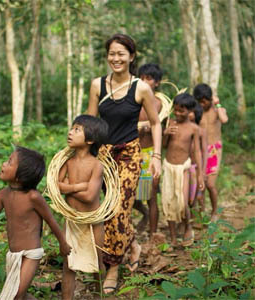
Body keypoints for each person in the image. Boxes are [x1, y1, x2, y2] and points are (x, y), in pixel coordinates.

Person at [87, 33, 162, 294]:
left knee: (119, 210)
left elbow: (155, 123)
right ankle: (132, 244)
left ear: (131, 56)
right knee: (107, 209)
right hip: (104, 155)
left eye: (121, 53)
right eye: (111, 53)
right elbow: (90, 123)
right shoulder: (97, 85)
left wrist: (156, 157)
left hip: (130, 155)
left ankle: (113, 268)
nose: (115, 58)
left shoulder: (141, 88)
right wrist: (81, 155)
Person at [0, 146, 71, 300]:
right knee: (21, 296)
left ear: (20, 177)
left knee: (16, 294)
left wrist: (63, 243)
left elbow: (51, 221)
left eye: (9, 162)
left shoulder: (33, 197)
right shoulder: (4, 194)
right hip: (13, 256)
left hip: (31, 254)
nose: (3, 164)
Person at [58, 115, 109, 300]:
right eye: (72, 128)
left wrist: (68, 187)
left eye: (77, 129)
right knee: (68, 264)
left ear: (89, 140)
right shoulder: (67, 162)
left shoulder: (97, 165)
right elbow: (57, 186)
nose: (70, 132)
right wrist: (78, 186)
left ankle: (98, 296)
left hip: (93, 222)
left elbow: (89, 197)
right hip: (71, 220)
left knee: (97, 263)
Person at [162, 93, 204, 248]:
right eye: (176, 110)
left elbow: (197, 152)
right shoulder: (170, 123)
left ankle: (188, 226)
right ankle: (173, 237)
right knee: (169, 201)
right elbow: (165, 145)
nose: (178, 114)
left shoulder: (194, 129)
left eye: (182, 111)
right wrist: (165, 134)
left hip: (183, 168)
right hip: (168, 166)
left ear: (190, 111)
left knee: (184, 201)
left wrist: (200, 175)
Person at [134, 63, 162, 236]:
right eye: (141, 78)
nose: (144, 82)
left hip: (151, 153)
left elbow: (160, 127)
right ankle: (141, 215)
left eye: (149, 79)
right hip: (131, 152)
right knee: (130, 195)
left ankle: (153, 236)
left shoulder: (159, 104)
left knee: (151, 196)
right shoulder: (133, 101)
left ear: (157, 83)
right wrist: (142, 126)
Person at [193, 84, 228, 222]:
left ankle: (214, 211)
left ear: (210, 99)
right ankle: (202, 213)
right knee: (200, 184)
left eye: (205, 101)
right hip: (199, 150)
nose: (202, 104)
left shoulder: (217, 111)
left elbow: (224, 119)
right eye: (199, 101)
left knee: (210, 184)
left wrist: (217, 104)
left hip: (214, 150)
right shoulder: (196, 113)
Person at [188, 103, 207, 210]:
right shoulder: (182, 128)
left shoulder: (201, 131)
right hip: (185, 165)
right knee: (187, 195)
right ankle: (187, 221)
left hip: (196, 166)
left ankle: (199, 218)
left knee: (197, 194)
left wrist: (202, 171)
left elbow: (204, 151)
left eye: (191, 112)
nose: (188, 114)